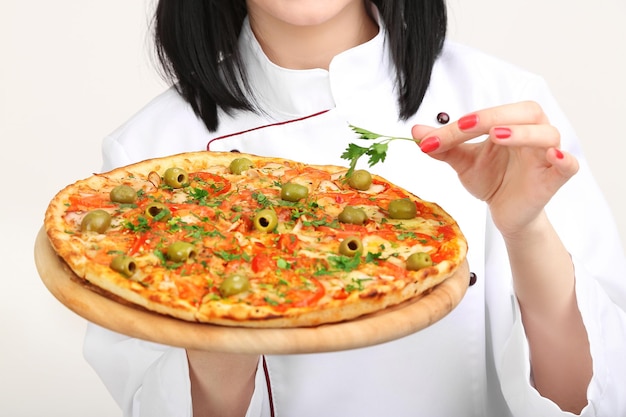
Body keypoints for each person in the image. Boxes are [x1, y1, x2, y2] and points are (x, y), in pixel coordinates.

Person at [83, 1, 626, 416]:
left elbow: (590, 402)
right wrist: (221, 308)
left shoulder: (505, 103)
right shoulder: (147, 159)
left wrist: (525, 230)